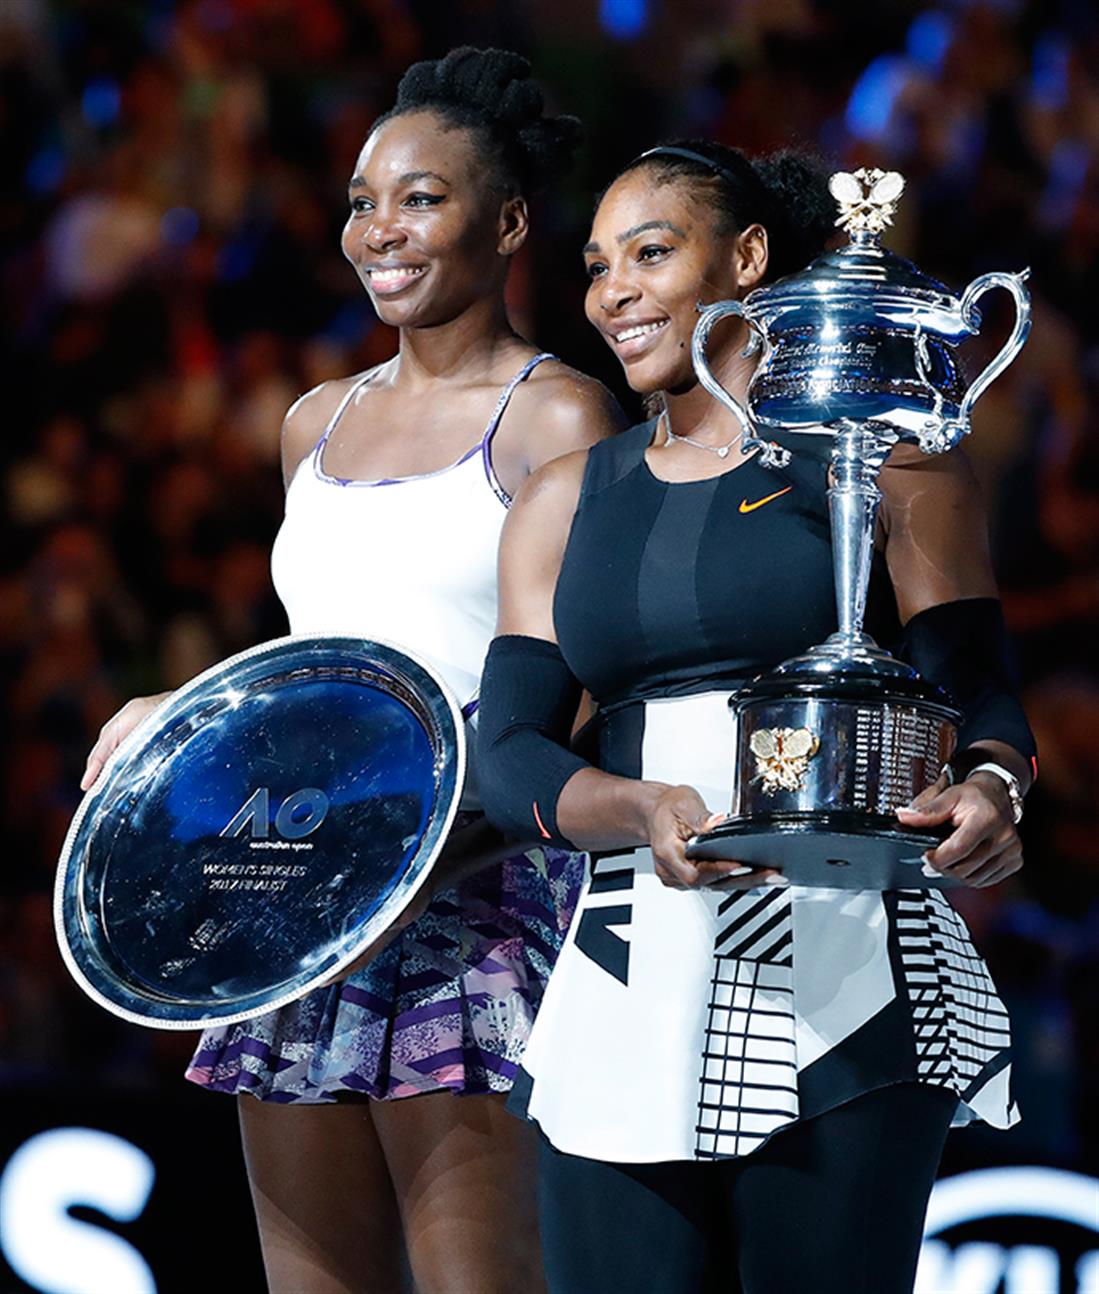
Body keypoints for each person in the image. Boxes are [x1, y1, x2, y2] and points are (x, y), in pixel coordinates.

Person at [81, 48, 624, 1294]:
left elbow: (585, 687)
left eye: (420, 198)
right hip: (298, 906)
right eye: (363, 200)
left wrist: (459, 828)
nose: (379, 229)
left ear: (507, 221)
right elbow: (318, 666)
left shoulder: (556, 417)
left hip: (475, 903)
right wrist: (187, 713)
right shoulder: (311, 422)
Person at [477, 140, 1036, 1294]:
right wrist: (636, 806)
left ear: (745, 257)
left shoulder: (890, 457)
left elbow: (982, 693)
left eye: (650, 252)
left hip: (850, 979)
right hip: (628, 984)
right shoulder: (563, 498)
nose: (611, 291)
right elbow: (509, 755)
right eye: (595, 263)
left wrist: (990, 786)